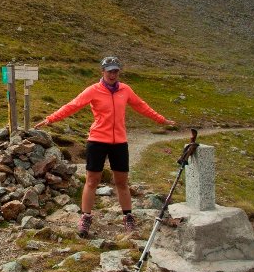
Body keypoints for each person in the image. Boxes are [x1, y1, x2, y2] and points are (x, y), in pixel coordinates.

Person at [34, 56, 175, 237]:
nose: (113, 74)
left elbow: (141, 106)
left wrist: (161, 120)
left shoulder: (125, 90)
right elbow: (73, 105)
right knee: (92, 180)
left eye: (115, 71)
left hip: (119, 143)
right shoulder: (93, 90)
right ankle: (85, 217)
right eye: (109, 71)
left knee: (122, 182)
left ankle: (128, 217)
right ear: (103, 72)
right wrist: (50, 119)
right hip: (97, 141)